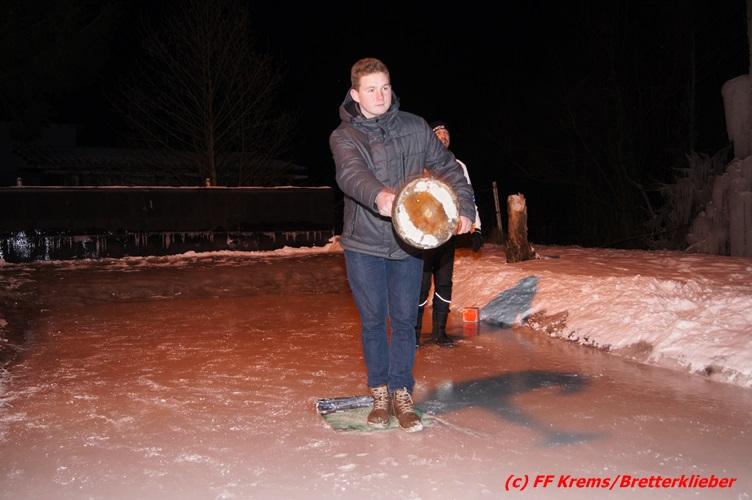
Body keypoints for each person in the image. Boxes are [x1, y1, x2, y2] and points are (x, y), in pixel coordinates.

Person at [330, 58, 475, 432]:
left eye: (385, 87)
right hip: (364, 244)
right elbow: (351, 175)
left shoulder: (415, 127)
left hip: (408, 243)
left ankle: (401, 393)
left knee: (406, 320)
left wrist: (465, 208)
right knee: (374, 320)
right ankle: (380, 392)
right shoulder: (344, 136)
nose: (380, 96)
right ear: (355, 94)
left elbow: (448, 168)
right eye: (371, 89)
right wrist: (379, 196)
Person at [416, 121, 482, 347]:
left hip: (447, 232)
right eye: (438, 133)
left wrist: (477, 227)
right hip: (423, 234)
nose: (443, 137)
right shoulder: (420, 162)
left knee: (444, 283)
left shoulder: (458, 165)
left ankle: (440, 332)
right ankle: (413, 333)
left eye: (446, 133)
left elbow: (468, 196)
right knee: (421, 285)